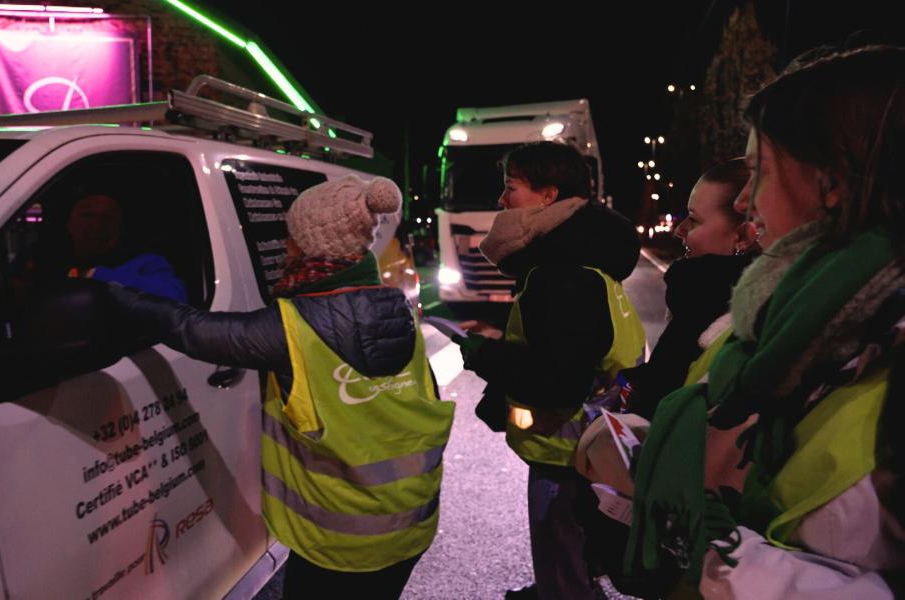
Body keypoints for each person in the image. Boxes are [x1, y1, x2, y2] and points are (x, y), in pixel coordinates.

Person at [621, 44, 905, 599]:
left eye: (760, 171)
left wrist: (727, 562)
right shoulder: (772, 322)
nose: (747, 201)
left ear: (835, 180)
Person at [105, 175, 455, 599]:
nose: (285, 246)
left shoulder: (293, 324)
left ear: (313, 243)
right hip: (411, 523)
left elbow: (193, 331)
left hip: (339, 545)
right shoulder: (397, 308)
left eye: (290, 236)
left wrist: (109, 293)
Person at [457, 141, 645, 600]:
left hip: (563, 451)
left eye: (511, 187)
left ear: (547, 196)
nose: (502, 201)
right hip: (590, 444)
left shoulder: (557, 272)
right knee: (577, 555)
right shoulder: (587, 261)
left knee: (562, 557)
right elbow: (571, 346)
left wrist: (482, 353)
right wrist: (505, 339)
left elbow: (556, 381)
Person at [621, 159, 758, 420]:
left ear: (742, 237)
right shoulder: (699, 300)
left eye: (693, 220)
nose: (679, 230)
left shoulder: (713, 316)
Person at [64, 193, 187, 302]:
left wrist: (95, 275)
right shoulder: (49, 261)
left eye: (109, 217)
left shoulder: (147, 263)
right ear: (69, 223)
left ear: (120, 227)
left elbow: (175, 296)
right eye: (88, 215)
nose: (98, 225)